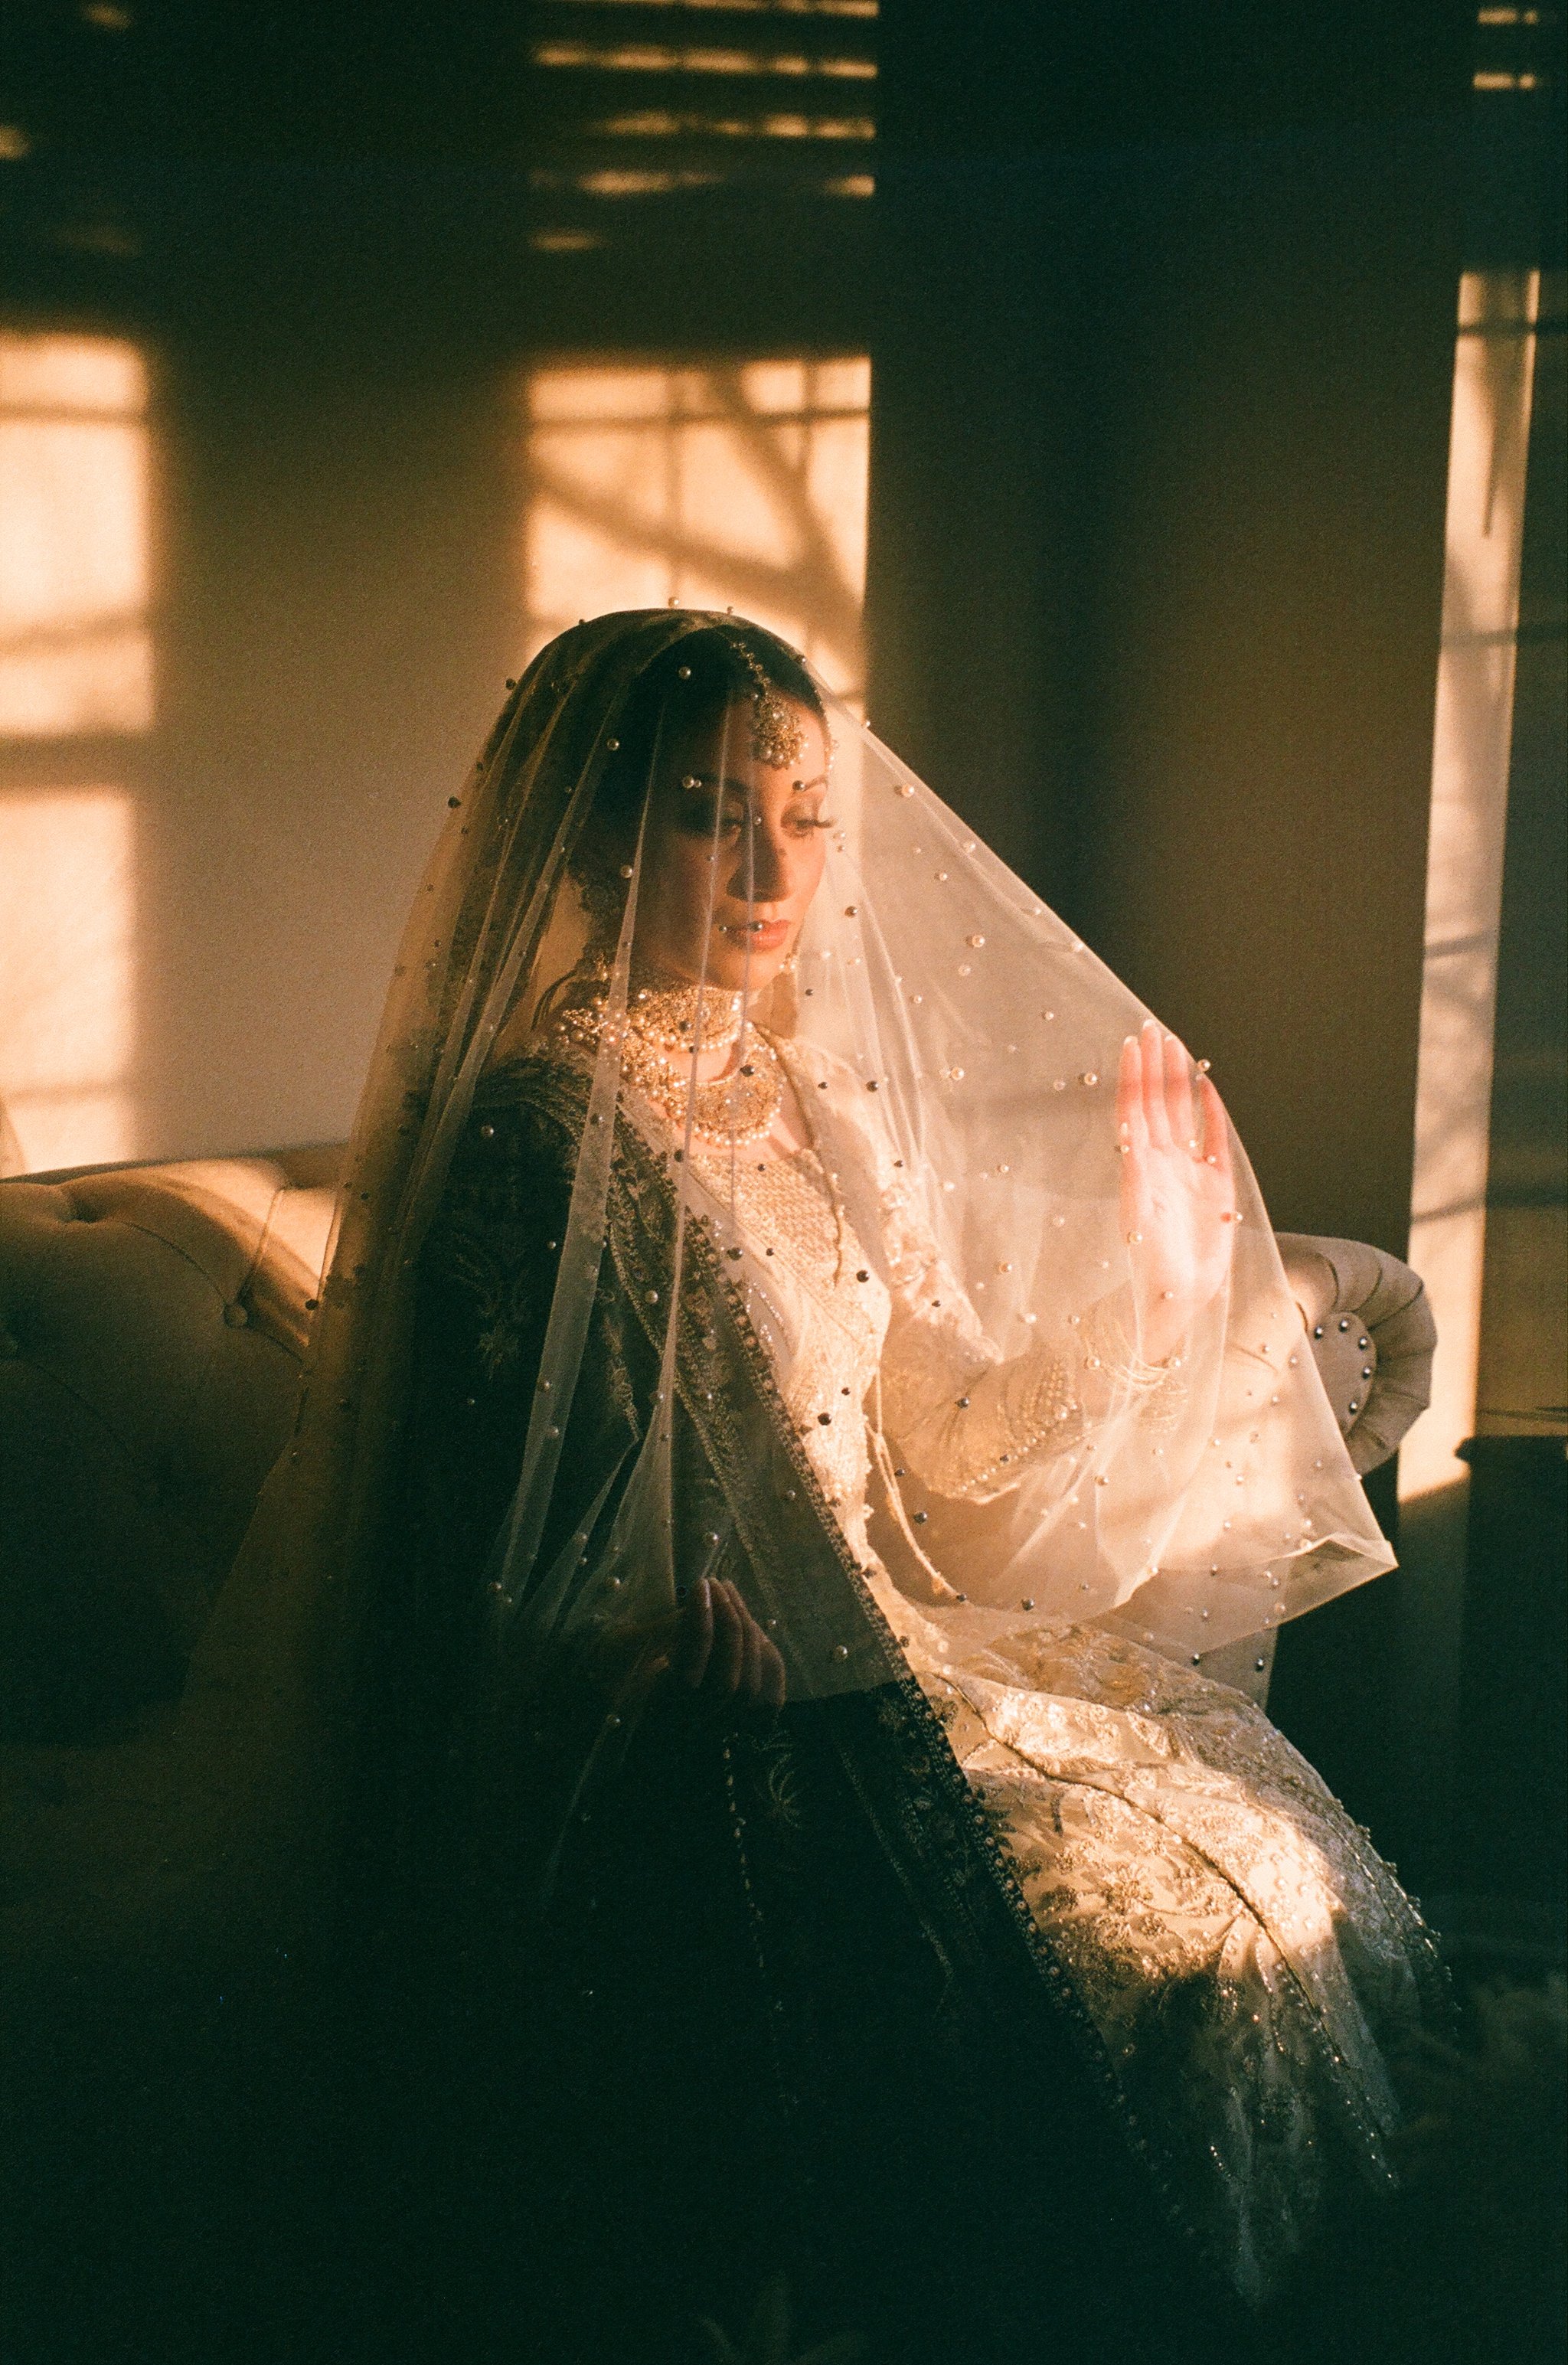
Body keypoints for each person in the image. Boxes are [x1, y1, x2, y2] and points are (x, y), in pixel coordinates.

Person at [280, 610, 1447, 2363]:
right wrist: (636, 1657)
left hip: (886, 1642)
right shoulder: (540, 1137)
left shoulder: (796, 1091)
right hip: (692, 1705)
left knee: (1256, 1852)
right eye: (705, 809)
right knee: (1127, 1956)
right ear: (593, 826)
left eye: (803, 812)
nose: (770, 866)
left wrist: (1158, 1271)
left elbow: (952, 1436)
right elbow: (492, 1530)